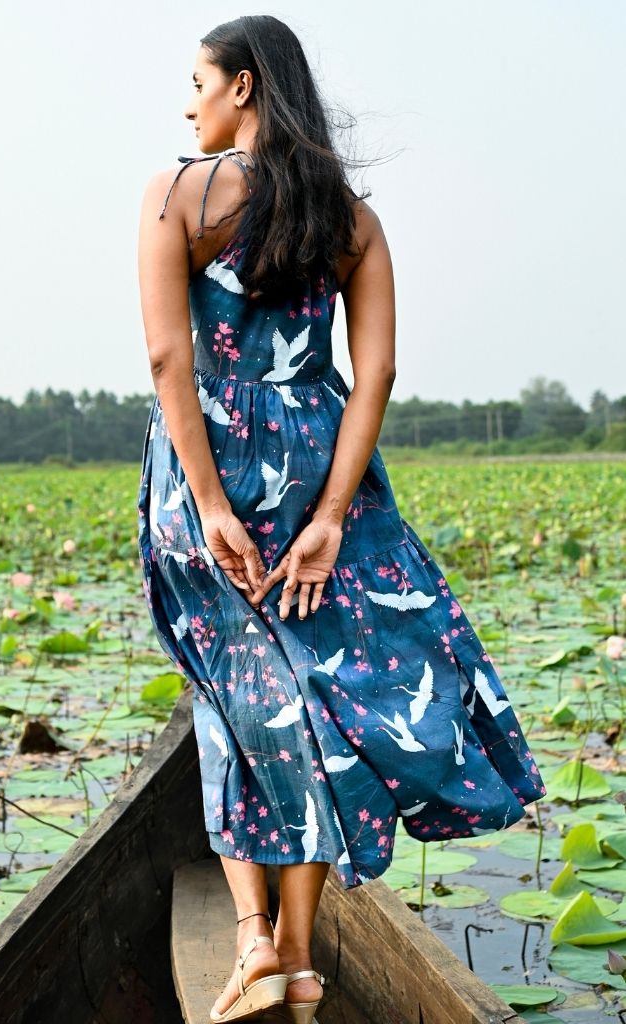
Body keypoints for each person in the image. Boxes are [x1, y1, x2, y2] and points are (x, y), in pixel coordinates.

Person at [136, 15, 546, 1023]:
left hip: (210, 465)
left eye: (198, 83)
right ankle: (301, 957)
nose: (188, 107)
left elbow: (168, 359)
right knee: (319, 695)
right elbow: (378, 372)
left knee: (236, 695)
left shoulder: (178, 193)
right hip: (322, 469)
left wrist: (210, 504)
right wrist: (327, 518)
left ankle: (254, 944)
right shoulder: (349, 216)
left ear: (242, 85)